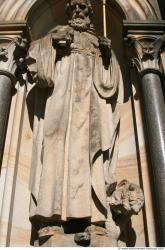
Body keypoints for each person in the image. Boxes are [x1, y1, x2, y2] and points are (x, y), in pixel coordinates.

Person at [27, 0, 123, 245]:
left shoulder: (95, 41)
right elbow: (38, 63)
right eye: (74, 10)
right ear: (69, 13)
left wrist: (107, 55)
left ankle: (96, 220)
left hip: (90, 109)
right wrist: (52, 45)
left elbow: (110, 84)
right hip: (60, 106)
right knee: (55, 155)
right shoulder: (57, 33)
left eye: (84, 10)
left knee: (91, 159)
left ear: (91, 14)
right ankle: (51, 219)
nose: (79, 14)